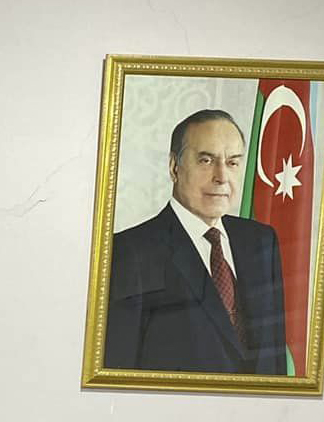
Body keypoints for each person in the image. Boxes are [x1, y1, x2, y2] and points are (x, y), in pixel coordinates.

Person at [104, 108, 287, 375]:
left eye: (233, 162)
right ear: (174, 167)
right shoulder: (130, 251)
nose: (222, 177)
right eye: (206, 160)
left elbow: (275, 359)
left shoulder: (262, 242)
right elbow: (119, 369)